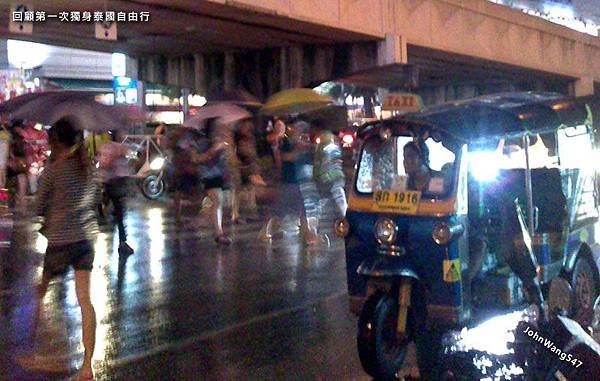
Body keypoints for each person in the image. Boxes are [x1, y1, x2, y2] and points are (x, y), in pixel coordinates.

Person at [31, 118, 98, 381]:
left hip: (59, 241)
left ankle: (33, 350)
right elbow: (95, 200)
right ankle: (87, 367)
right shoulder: (88, 168)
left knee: (41, 292)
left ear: (55, 142)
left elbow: (38, 207)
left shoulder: (53, 171)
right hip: (85, 240)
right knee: (85, 302)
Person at [195, 118, 231, 245]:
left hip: (219, 175)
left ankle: (201, 219)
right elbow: (199, 159)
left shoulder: (220, 141)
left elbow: (223, 161)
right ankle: (219, 233)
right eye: (217, 128)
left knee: (219, 202)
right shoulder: (203, 142)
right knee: (217, 200)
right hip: (208, 175)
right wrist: (214, 149)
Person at [97, 132, 134, 256]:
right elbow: (103, 164)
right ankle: (121, 241)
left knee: (117, 213)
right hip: (113, 183)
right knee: (118, 213)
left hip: (114, 183)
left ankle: (121, 241)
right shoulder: (111, 148)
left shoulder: (115, 147)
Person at [313, 129, 347, 217]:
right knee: (338, 198)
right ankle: (346, 217)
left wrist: (319, 176)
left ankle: (314, 221)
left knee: (324, 198)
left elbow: (321, 163)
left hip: (327, 177)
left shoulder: (322, 146)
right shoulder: (333, 145)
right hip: (335, 176)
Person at [7, 121, 29, 204]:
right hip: (12, 163)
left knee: (21, 181)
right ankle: (4, 200)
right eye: (19, 127)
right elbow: (10, 149)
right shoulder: (11, 137)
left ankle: (20, 199)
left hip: (18, 163)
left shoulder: (21, 138)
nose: (20, 129)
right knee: (7, 184)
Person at [0, 123, 10, 188]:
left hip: (2, 163)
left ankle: (2, 196)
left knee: (2, 181)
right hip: (2, 163)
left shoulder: (5, 134)